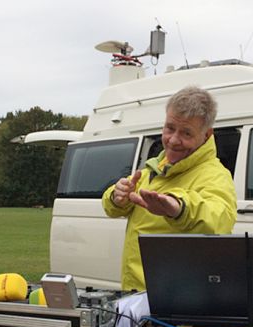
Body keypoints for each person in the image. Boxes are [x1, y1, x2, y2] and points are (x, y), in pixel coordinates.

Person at [102, 86, 237, 291]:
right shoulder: (152, 169)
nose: (173, 140)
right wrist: (116, 196)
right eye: (170, 128)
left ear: (207, 135)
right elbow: (111, 208)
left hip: (176, 300)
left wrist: (180, 208)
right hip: (134, 295)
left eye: (186, 133)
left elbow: (220, 220)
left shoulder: (215, 175)